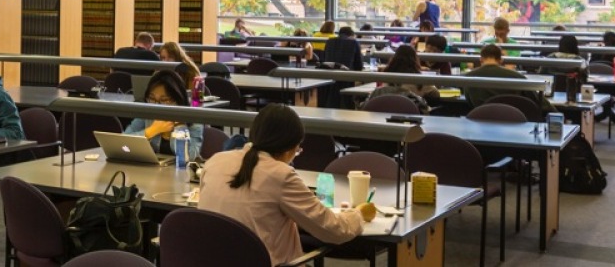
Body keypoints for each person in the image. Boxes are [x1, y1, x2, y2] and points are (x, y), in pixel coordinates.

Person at [198, 104, 377, 266]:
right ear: (290, 147)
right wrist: (358, 214)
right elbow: (334, 230)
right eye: (298, 150)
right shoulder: (281, 175)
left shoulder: (215, 161)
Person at [123, 69, 203, 156]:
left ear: (178, 100)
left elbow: (189, 156)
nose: (156, 105)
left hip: (182, 169)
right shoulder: (147, 114)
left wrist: (178, 126)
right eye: (152, 98)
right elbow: (123, 142)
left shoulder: (194, 119)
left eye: (164, 100)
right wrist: (152, 130)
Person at [465, 44, 551, 110]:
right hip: (512, 121)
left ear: (481, 60)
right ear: (501, 60)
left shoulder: (468, 78)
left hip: (480, 122)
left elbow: (468, 100)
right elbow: (539, 102)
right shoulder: (517, 76)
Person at [367, 44, 438, 111]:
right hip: (412, 117)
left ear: (394, 58)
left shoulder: (387, 77)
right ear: (415, 60)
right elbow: (436, 93)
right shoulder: (419, 80)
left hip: (386, 115)